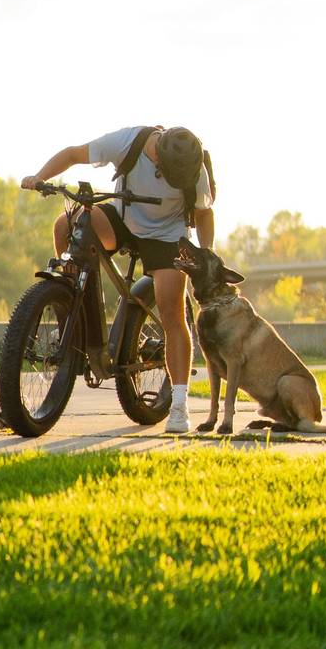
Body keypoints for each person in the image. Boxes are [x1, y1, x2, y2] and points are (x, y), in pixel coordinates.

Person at [21, 126, 215, 434]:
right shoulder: (130, 143)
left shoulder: (194, 169)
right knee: (66, 225)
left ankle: (179, 404)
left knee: (171, 312)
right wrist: (39, 177)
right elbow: (73, 154)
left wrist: (206, 254)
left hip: (168, 235)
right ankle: (70, 306)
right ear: (157, 154)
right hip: (124, 219)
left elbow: (204, 213)